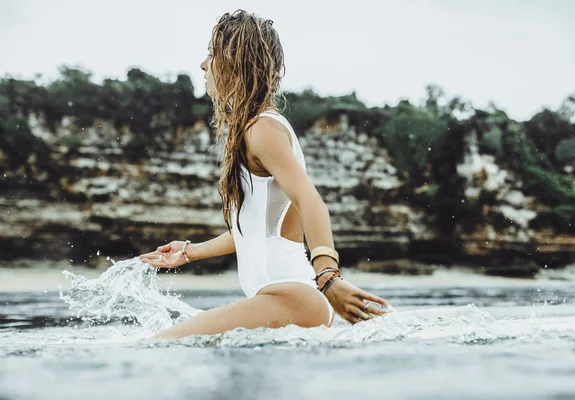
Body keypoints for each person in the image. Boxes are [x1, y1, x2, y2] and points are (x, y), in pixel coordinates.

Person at [140, 10, 389, 339]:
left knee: (158, 344)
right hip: (287, 298)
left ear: (235, 61)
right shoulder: (256, 129)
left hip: (293, 297)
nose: (203, 65)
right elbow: (254, 231)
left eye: (212, 54)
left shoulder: (262, 129)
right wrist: (190, 251)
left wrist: (328, 276)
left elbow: (309, 200)